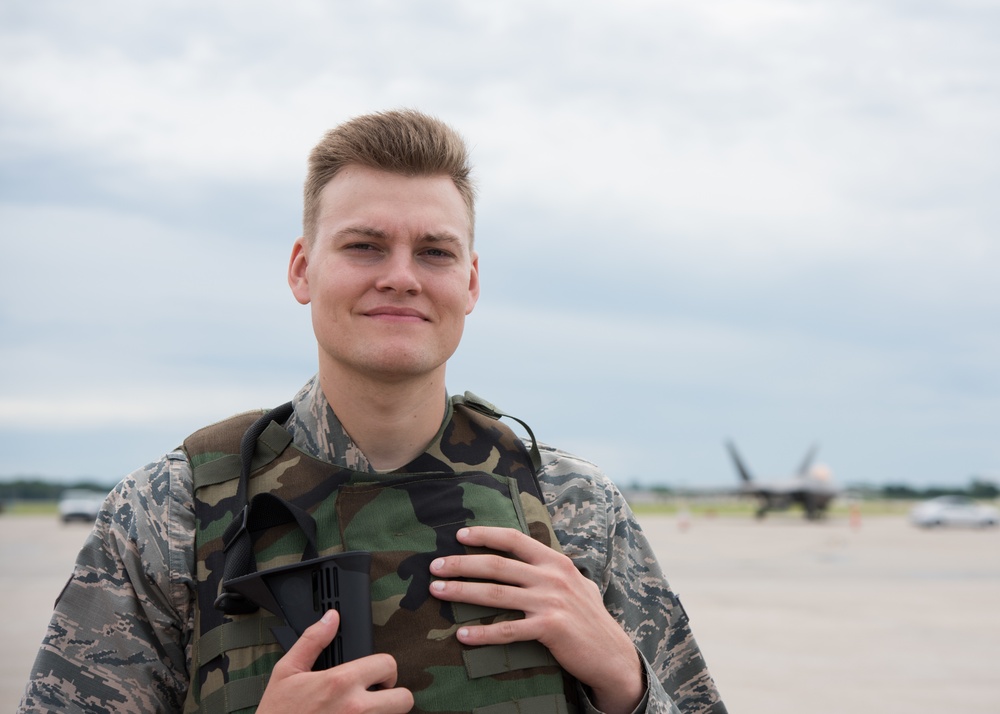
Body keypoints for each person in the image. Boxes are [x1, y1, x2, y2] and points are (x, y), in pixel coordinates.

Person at [19, 109, 727, 714]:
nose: (401, 276)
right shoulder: (170, 512)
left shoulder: (575, 511)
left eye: (434, 251)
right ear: (302, 269)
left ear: (470, 281)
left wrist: (629, 683)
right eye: (364, 246)